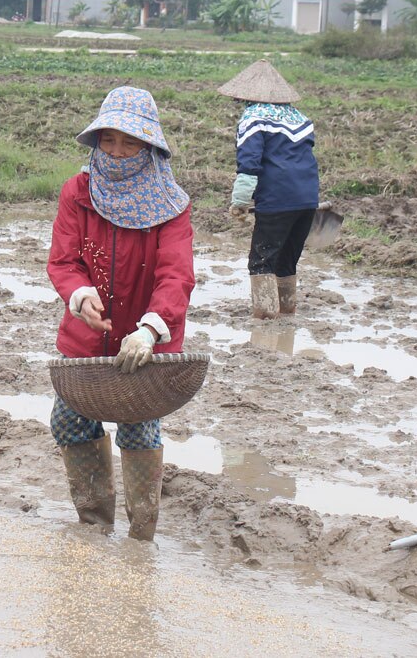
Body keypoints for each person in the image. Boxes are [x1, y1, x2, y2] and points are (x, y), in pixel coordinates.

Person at [47, 86, 195, 541]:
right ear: (96, 142)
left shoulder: (171, 207)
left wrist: (151, 330)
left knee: (138, 431)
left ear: (149, 146)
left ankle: (141, 537)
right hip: (85, 343)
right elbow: (63, 260)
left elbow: (176, 276)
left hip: (145, 346)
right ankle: (93, 526)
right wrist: (79, 295)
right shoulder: (79, 191)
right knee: (69, 422)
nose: (117, 152)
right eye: (108, 141)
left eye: (130, 143)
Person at [219, 60, 319, 319]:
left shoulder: (253, 119)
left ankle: (264, 320)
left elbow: (249, 164)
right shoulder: (300, 118)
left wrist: (240, 201)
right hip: (307, 198)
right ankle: (287, 312)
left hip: (277, 199)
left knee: (262, 260)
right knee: (287, 259)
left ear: (244, 95)